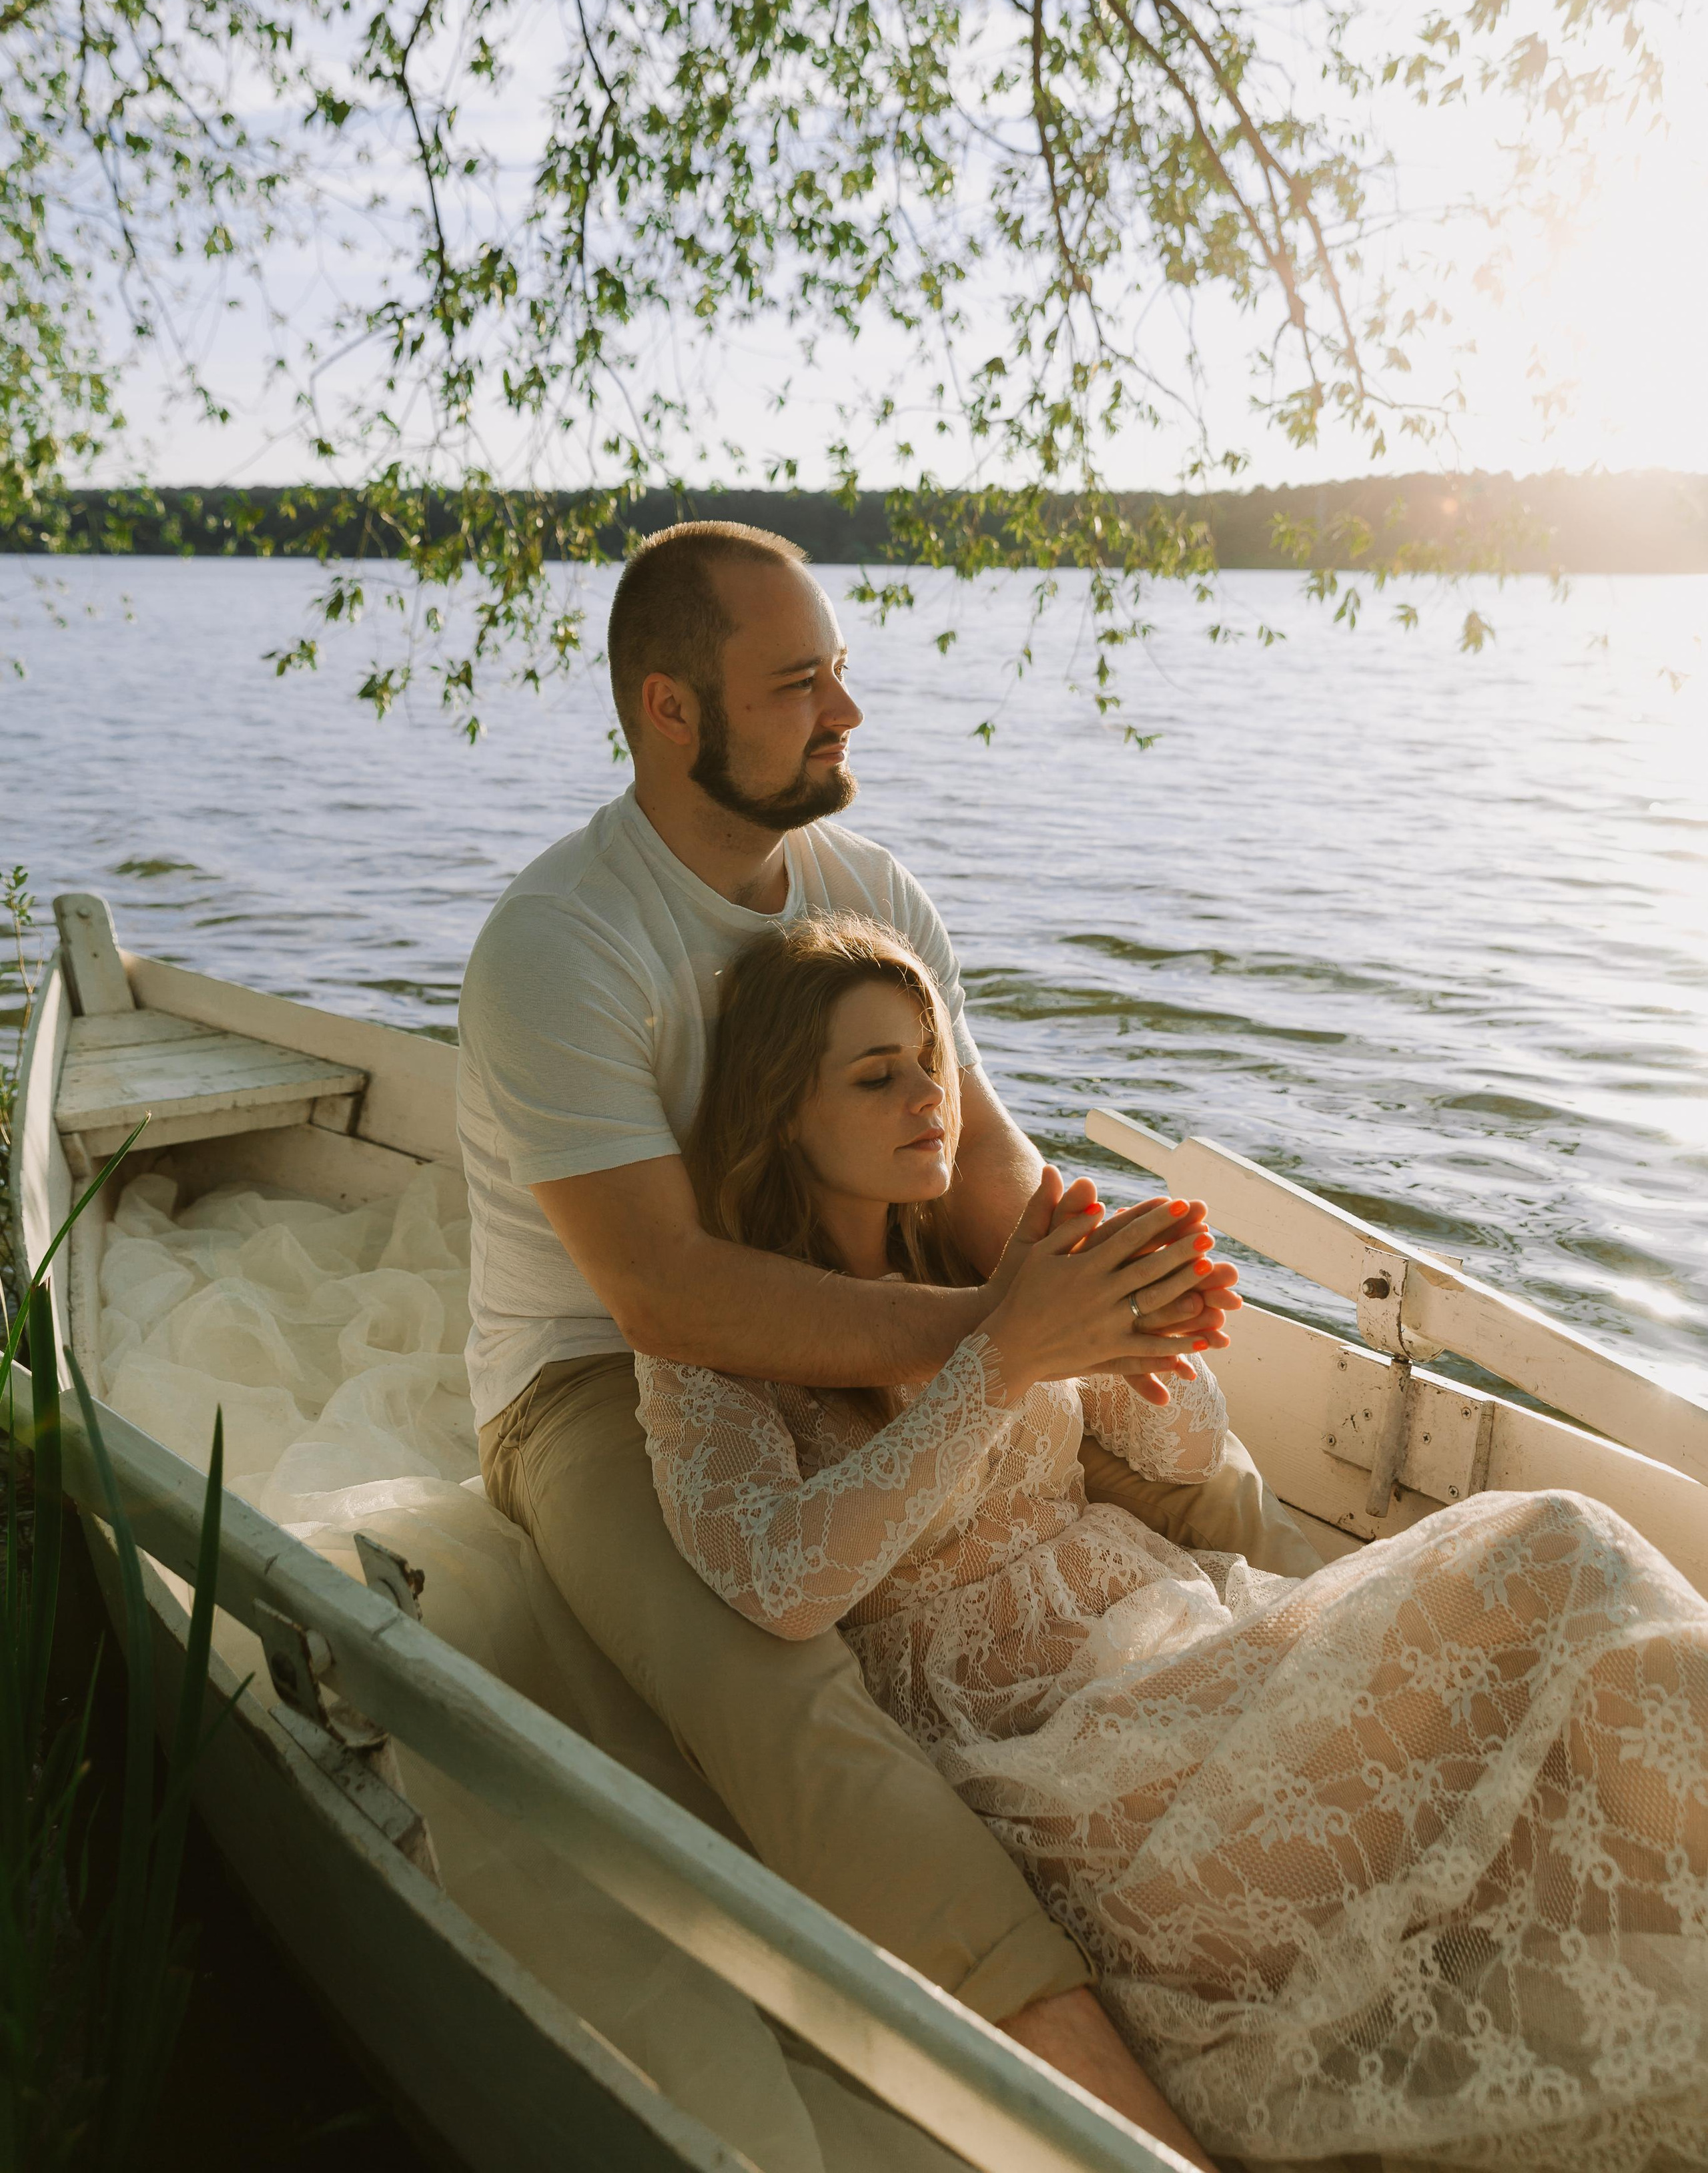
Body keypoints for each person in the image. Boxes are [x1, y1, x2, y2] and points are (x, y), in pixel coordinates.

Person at [461, 518, 1316, 2127]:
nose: (845, 714)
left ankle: (1313, 1730)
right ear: (668, 709)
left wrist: (1109, 1285)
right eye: (797, 685)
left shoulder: (867, 886)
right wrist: (998, 1344)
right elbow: (666, 1289)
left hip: (874, 1273)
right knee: (765, 1675)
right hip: (592, 1371)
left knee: (1188, 1455)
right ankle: (1096, 2101)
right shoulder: (559, 944)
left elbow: (986, 1168)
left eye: (837, 671)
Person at [638, 912, 1708, 2170]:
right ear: (780, 1117)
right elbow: (779, 1581)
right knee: (1557, 1550)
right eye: (879, 1077)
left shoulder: (980, 1258)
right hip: (1077, 1783)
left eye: (932, 1059)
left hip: (1197, 1649)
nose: (933, 1097)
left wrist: (1145, 1324)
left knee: (1615, 1689)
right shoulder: (708, 1349)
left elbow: (1185, 1457)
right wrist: (1005, 1357)